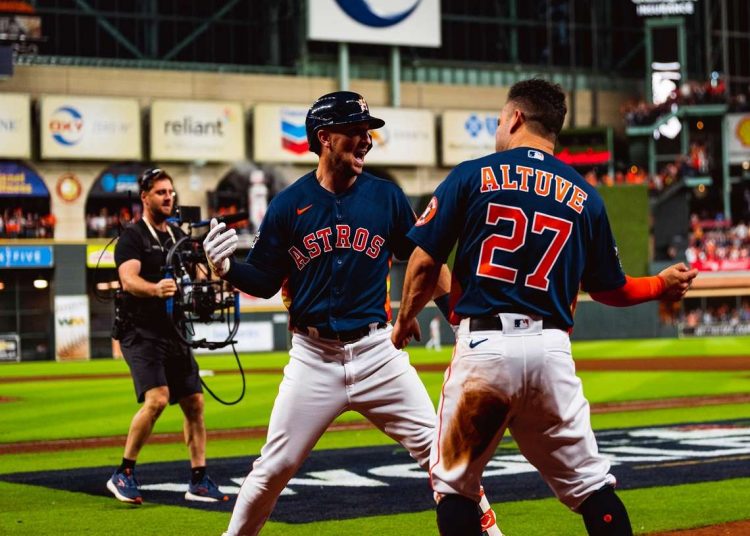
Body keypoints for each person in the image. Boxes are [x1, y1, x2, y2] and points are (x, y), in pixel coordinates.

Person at [391, 79, 698, 536]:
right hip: (551, 350)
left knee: (455, 488)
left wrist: (404, 318)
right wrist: (659, 283)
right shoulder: (586, 196)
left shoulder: (472, 175)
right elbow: (611, 289)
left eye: (499, 119)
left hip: (485, 349)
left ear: (515, 118)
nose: (498, 128)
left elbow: (422, 262)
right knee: (593, 488)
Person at [203, 91, 502, 536]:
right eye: (356, 132)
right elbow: (263, 281)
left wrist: (456, 319)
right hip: (313, 358)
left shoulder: (386, 197)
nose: (367, 141)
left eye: (368, 132)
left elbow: (424, 260)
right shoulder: (289, 205)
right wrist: (226, 269)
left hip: (377, 352)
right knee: (273, 468)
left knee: (444, 455)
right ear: (325, 138)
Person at [107, 168, 228, 505]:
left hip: (173, 329)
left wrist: (213, 285)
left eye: (170, 192)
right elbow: (128, 280)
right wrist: (155, 288)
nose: (168, 197)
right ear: (144, 197)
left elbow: (199, 271)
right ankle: (124, 472)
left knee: (194, 402)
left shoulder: (177, 234)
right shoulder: (133, 236)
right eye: (160, 192)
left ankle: (199, 480)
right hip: (139, 330)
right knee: (158, 399)